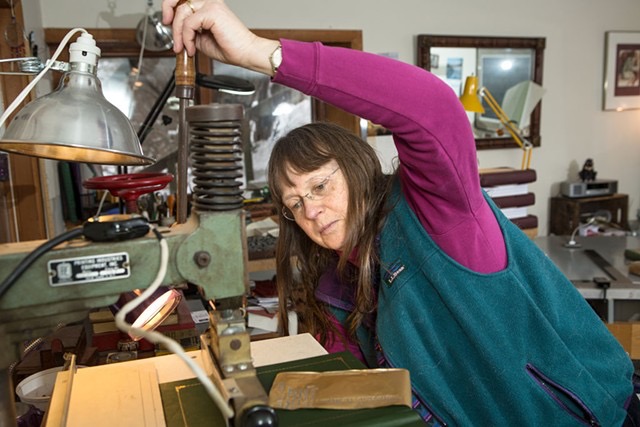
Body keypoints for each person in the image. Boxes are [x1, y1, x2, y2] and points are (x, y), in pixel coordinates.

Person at [163, 1, 640, 425]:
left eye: (321, 185)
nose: (311, 209)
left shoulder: (437, 216)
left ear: (355, 168)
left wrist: (257, 52)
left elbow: (432, 108)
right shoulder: (333, 284)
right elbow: (355, 387)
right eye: (294, 204)